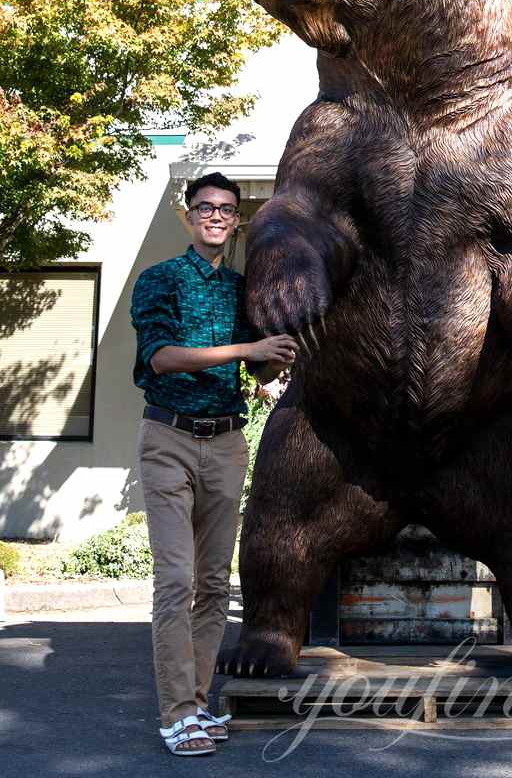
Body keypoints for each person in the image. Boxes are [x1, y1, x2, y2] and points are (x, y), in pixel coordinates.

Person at [130, 171, 297, 756]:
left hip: (226, 442)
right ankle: (176, 713)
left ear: (236, 221)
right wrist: (246, 348)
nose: (216, 217)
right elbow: (162, 358)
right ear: (188, 214)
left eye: (227, 210)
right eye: (206, 207)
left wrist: (279, 349)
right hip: (169, 439)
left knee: (211, 584)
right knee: (175, 581)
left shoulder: (243, 289)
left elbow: (260, 371)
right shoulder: (160, 281)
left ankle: (197, 706)